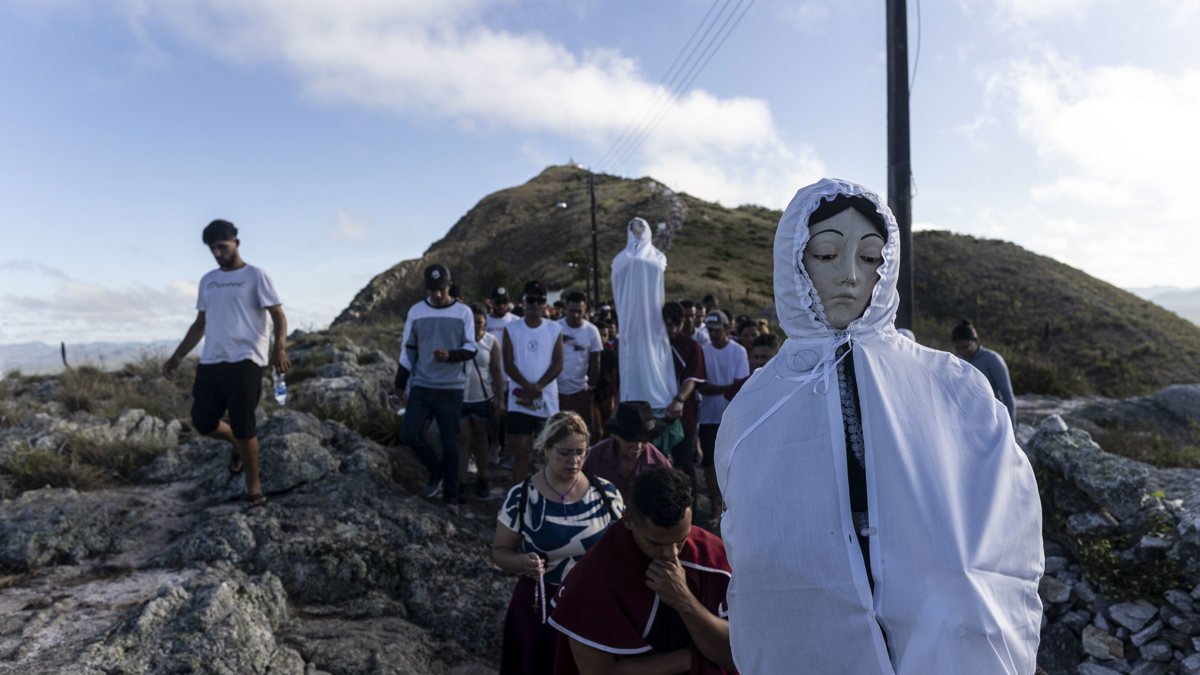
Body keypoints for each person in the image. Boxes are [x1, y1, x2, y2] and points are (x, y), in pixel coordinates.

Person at [714, 178, 1043, 674]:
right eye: (826, 254)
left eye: (870, 258)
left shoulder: (953, 387)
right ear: (794, 263)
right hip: (812, 635)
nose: (849, 275)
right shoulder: (756, 406)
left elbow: (1005, 517)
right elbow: (753, 546)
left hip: (939, 636)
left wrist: (959, 595)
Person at [549, 467, 735, 675]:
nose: (670, 554)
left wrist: (685, 602)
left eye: (680, 540)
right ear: (628, 520)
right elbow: (596, 672)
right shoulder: (592, 579)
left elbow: (735, 654)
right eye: (656, 543)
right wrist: (686, 660)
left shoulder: (711, 558)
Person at [163, 219, 289, 509]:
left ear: (236, 243)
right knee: (202, 421)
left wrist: (279, 349)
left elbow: (279, 316)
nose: (218, 253)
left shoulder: (256, 276)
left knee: (246, 426)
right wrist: (177, 356)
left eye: (223, 246)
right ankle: (235, 445)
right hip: (212, 360)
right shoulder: (208, 280)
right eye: (212, 248)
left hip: (247, 360)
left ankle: (254, 490)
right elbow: (200, 324)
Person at [492, 411, 624, 675]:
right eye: (565, 453)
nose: (574, 461)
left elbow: (623, 547)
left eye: (581, 452)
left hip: (592, 604)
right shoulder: (522, 497)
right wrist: (521, 562)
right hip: (541, 607)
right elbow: (499, 551)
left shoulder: (606, 494)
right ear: (546, 449)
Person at [395, 263, 477, 507]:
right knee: (410, 433)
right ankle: (437, 471)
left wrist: (451, 355)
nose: (437, 295)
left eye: (441, 289)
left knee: (451, 443)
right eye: (432, 290)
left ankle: (451, 497)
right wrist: (399, 385)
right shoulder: (416, 311)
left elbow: (471, 347)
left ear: (449, 286)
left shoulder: (463, 312)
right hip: (422, 385)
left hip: (451, 388)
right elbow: (407, 351)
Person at [611, 217, 677, 410]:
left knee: (654, 357)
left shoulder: (657, 257)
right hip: (629, 322)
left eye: (641, 228)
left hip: (652, 319)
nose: (637, 231)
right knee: (631, 361)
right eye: (634, 228)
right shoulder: (620, 259)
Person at [504, 280, 564, 482]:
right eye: (531, 299)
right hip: (519, 400)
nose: (535, 304)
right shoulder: (511, 328)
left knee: (548, 453)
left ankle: (547, 496)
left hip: (546, 400)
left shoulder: (554, 329)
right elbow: (508, 363)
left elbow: (558, 363)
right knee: (520, 450)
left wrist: (539, 386)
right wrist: (527, 386)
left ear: (545, 303)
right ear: (523, 301)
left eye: (540, 300)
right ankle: (519, 497)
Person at [697, 310, 748, 522]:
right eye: (710, 331)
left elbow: (740, 386)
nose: (714, 334)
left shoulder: (738, 351)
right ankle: (715, 505)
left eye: (717, 330)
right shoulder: (703, 350)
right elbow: (702, 386)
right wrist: (725, 388)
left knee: (733, 463)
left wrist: (716, 388)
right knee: (710, 463)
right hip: (708, 417)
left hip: (732, 416)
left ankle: (731, 505)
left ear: (727, 328)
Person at [583, 400, 672, 501]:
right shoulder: (594, 458)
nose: (638, 446)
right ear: (615, 435)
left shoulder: (660, 464)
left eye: (643, 440)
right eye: (630, 440)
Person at [460, 303, 505, 500]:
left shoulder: (491, 342)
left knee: (481, 439)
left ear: (485, 322)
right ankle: (461, 481)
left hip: (482, 397)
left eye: (480, 322)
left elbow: (496, 370)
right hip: (461, 397)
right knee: (463, 440)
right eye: (473, 322)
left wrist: (500, 398)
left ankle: (482, 477)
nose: (477, 326)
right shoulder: (459, 340)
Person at [663, 301, 706, 486]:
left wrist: (679, 399)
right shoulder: (653, 345)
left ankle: (691, 509)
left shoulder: (691, 346)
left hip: (684, 413)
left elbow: (692, 379)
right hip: (658, 412)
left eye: (676, 323)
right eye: (668, 323)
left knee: (685, 465)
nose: (672, 328)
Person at [952, 319, 1017, 427]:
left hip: (993, 419)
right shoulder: (957, 362)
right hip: (969, 421)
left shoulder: (992, 359)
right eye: (958, 348)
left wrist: (1011, 427)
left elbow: (1007, 395)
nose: (962, 351)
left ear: (976, 341)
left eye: (966, 347)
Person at [557, 291, 602, 441]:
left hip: (580, 390)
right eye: (572, 311)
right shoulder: (555, 328)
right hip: (557, 390)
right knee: (559, 432)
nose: (575, 315)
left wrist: (592, 386)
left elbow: (595, 360)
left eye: (579, 311)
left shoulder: (592, 331)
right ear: (565, 308)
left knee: (583, 432)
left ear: (585, 310)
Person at [724, 333, 778, 401]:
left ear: (777, 356)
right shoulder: (745, 384)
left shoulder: (787, 382)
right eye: (756, 357)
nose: (759, 361)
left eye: (764, 357)